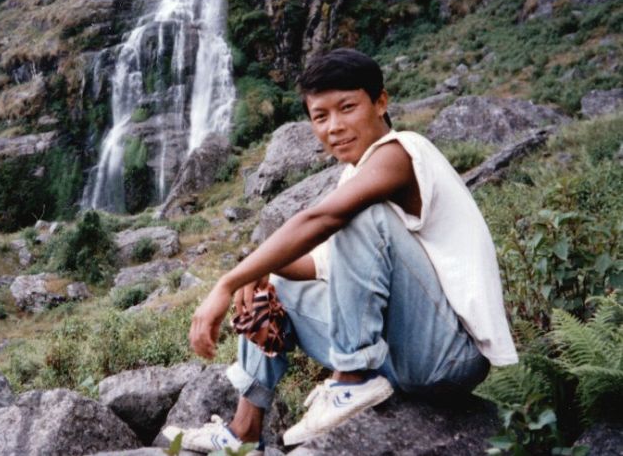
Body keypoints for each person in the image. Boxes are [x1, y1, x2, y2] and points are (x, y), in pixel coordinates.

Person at [163, 48, 518, 453]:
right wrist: (260, 274)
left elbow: (324, 219)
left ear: (381, 102)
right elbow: (322, 266)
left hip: (449, 355)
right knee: (273, 281)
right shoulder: (356, 174)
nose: (334, 127)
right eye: (320, 116)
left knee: (355, 217)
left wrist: (229, 282)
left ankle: (352, 381)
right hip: (403, 354)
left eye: (347, 108)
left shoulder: (401, 152)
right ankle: (243, 431)